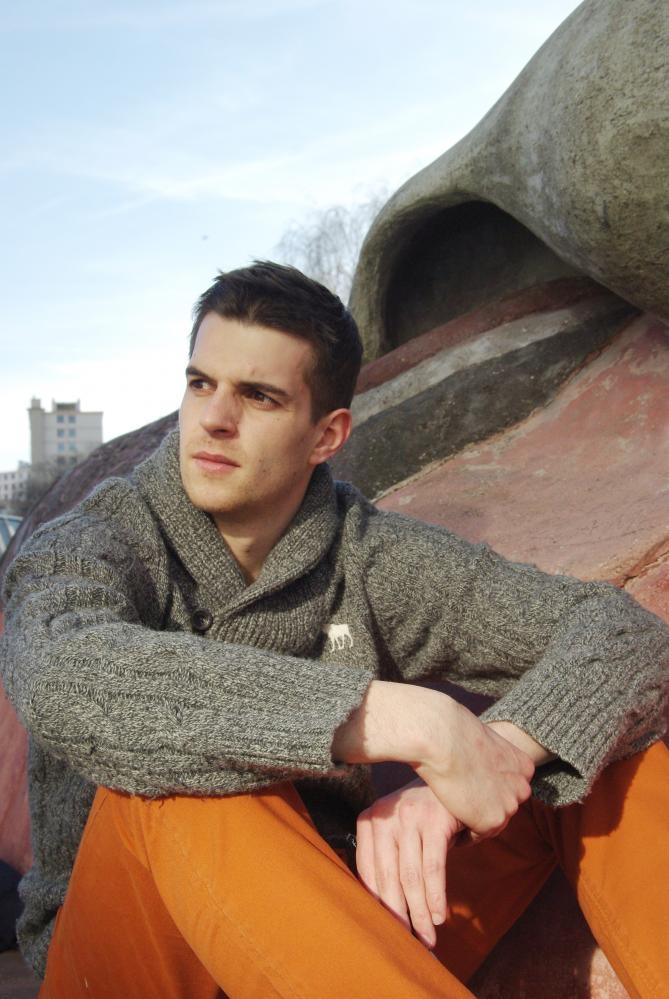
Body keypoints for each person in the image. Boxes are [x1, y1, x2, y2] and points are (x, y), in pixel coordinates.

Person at [1, 261, 667, 998]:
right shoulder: (95, 541)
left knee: (603, 750)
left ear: (327, 434)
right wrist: (401, 719)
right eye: (200, 383)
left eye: (258, 395)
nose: (214, 418)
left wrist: (495, 752)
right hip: (135, 959)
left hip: (328, 938)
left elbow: (627, 635)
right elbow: (63, 674)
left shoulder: (365, 554)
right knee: (181, 773)